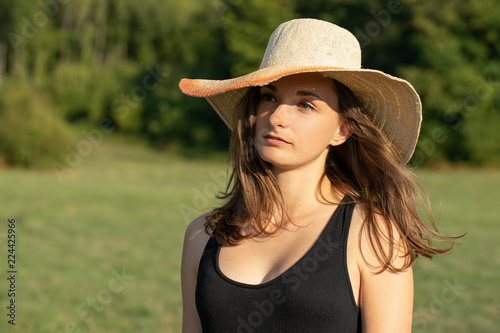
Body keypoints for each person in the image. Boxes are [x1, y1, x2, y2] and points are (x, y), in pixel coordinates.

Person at [179, 18, 458, 332]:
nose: (278, 117)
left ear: (342, 129)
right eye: (269, 97)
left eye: (305, 105)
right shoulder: (201, 236)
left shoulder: (373, 237)